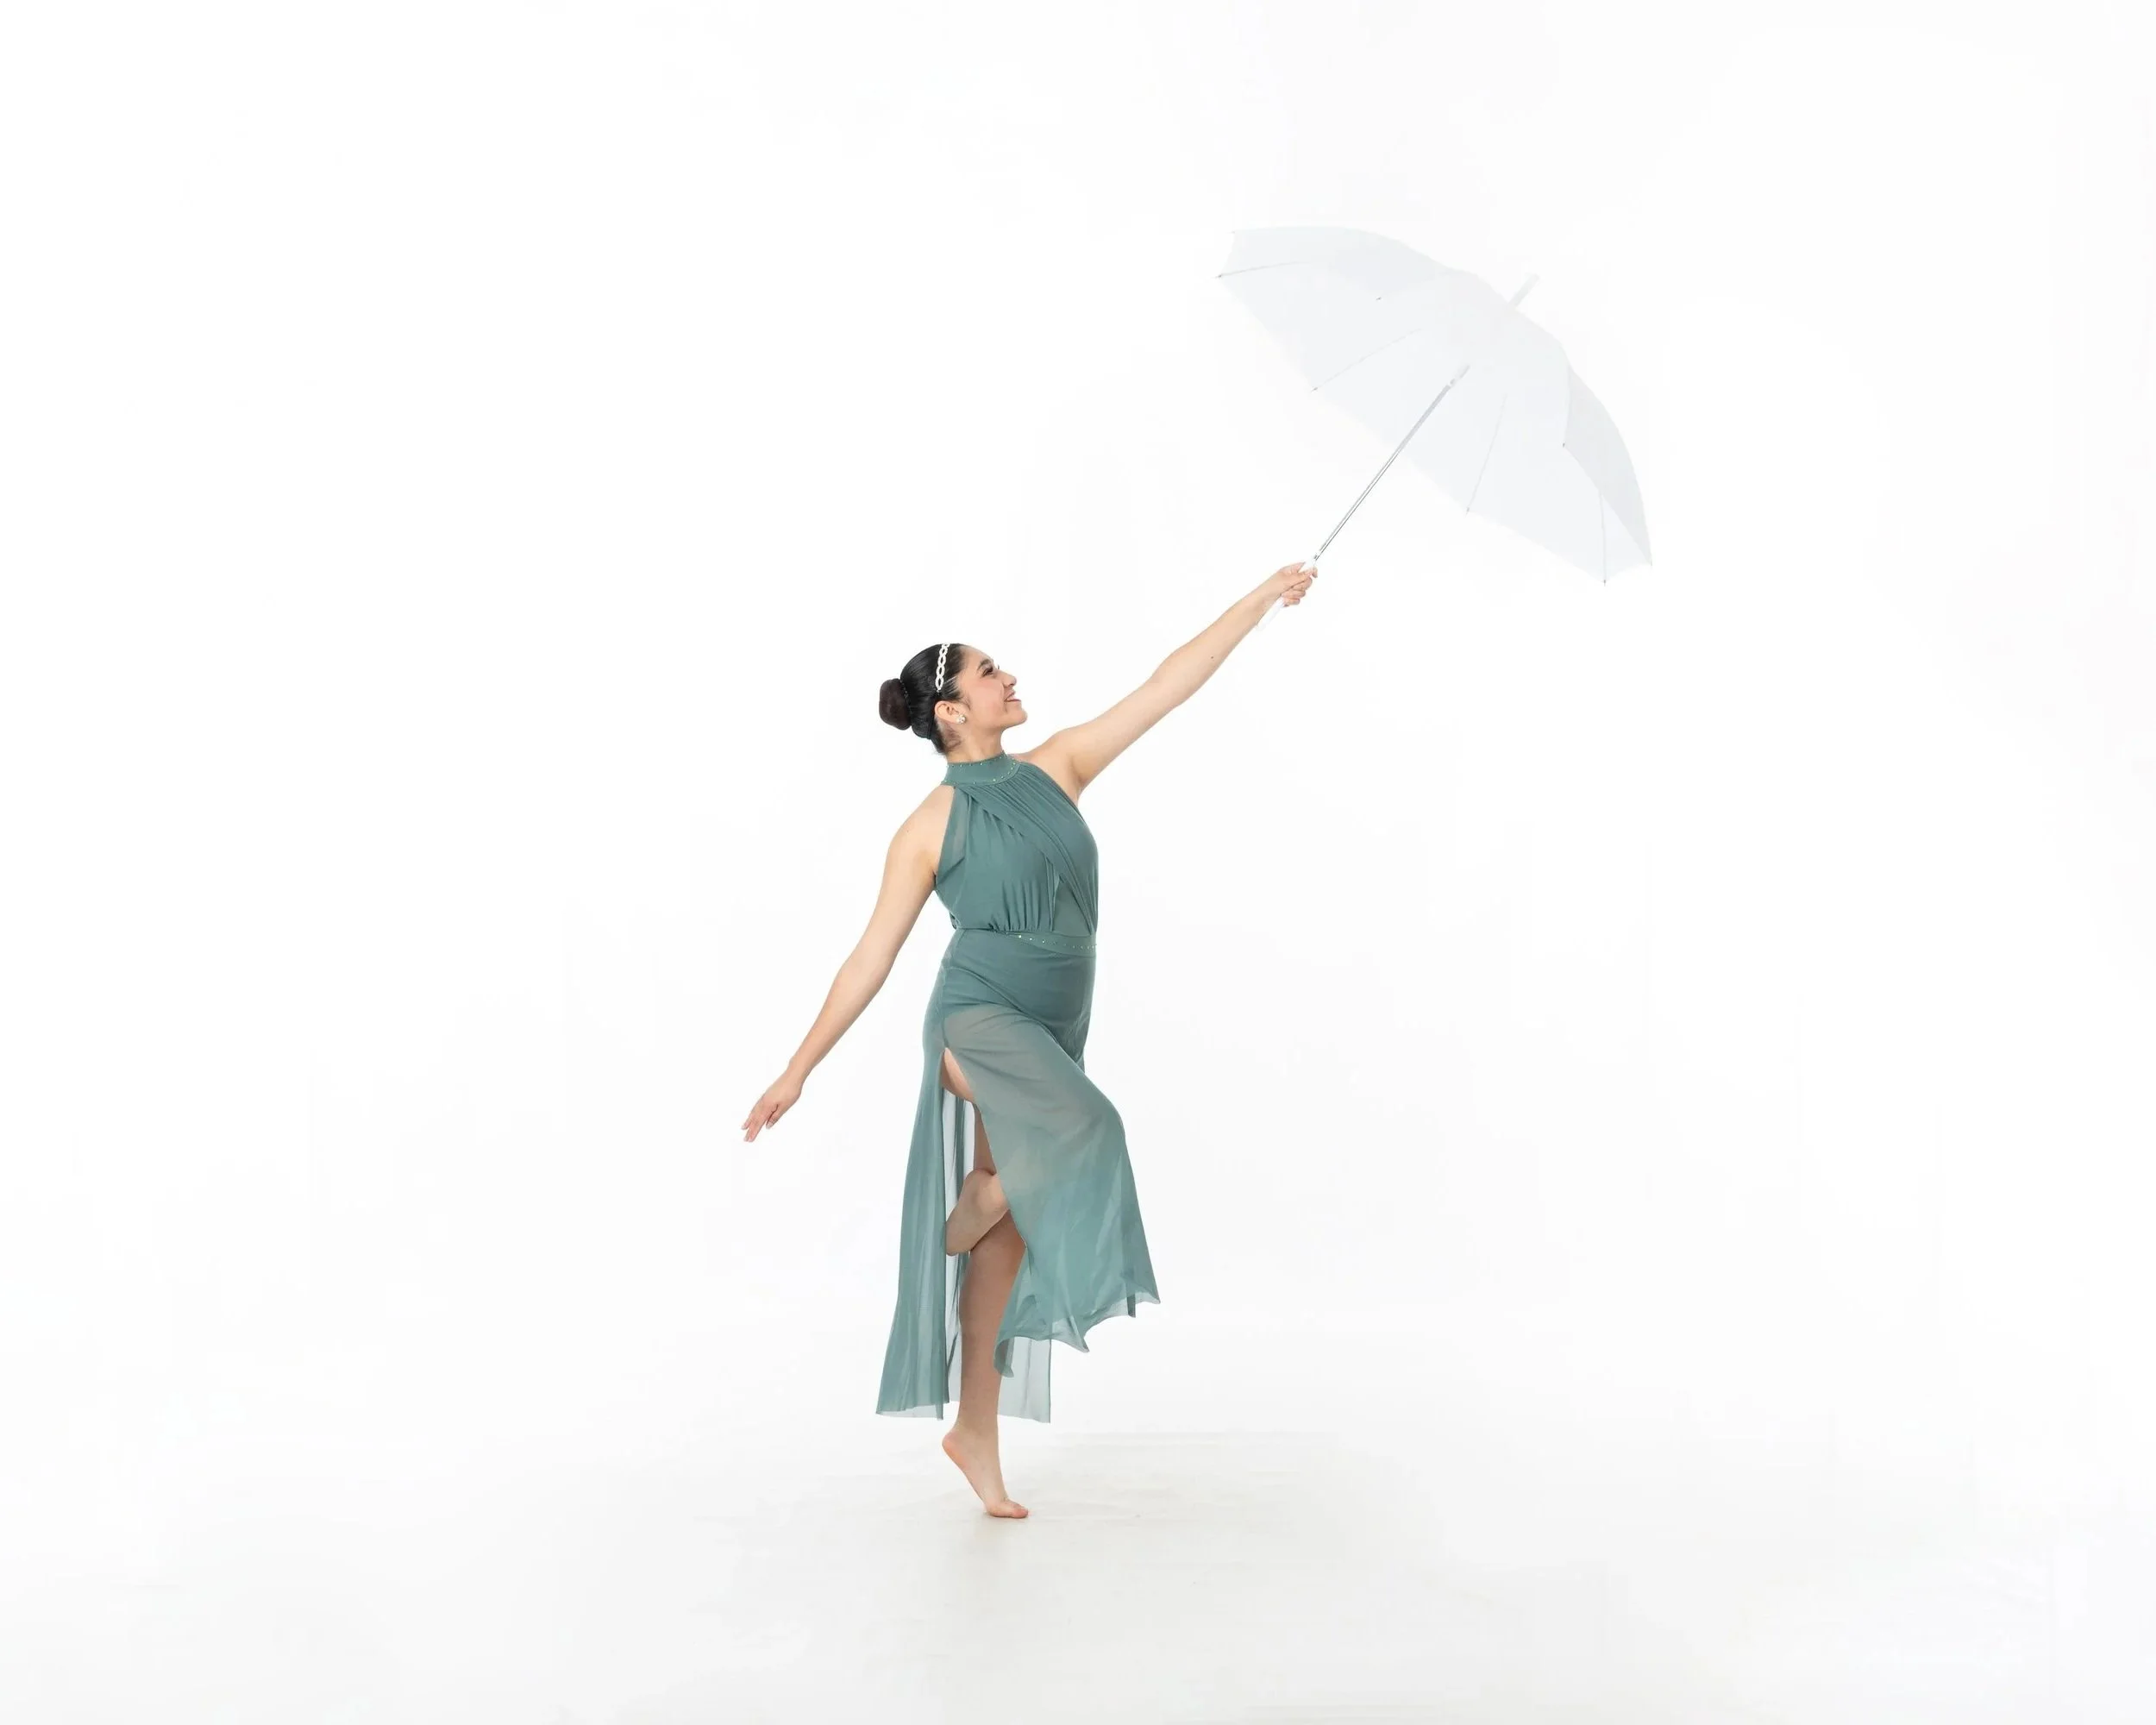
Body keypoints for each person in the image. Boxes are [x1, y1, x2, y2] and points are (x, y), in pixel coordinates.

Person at [742, 560, 1318, 1516]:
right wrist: (797, 1070)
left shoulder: (1059, 766)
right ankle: (993, 1189)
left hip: (1055, 1020)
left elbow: (1165, 685)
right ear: (951, 712)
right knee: (1090, 1128)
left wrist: (1259, 601)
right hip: (976, 1019)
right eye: (988, 672)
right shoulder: (928, 826)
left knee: (1001, 1247)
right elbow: (870, 958)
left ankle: (975, 1428)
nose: (1008, 678)